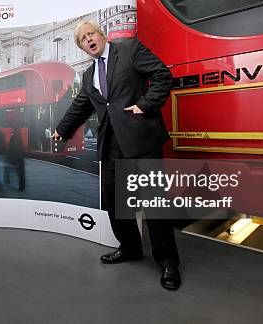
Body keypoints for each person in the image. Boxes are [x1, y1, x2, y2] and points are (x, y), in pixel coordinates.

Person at [53, 20, 181, 291]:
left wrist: (145, 105)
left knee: (154, 204)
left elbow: (162, 75)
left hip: (141, 139)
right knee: (115, 204)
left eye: (91, 34)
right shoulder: (89, 76)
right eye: (83, 40)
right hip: (112, 144)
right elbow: (80, 106)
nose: (89, 40)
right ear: (83, 48)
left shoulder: (129, 49)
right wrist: (61, 129)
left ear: (102, 35)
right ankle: (131, 248)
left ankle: (168, 262)